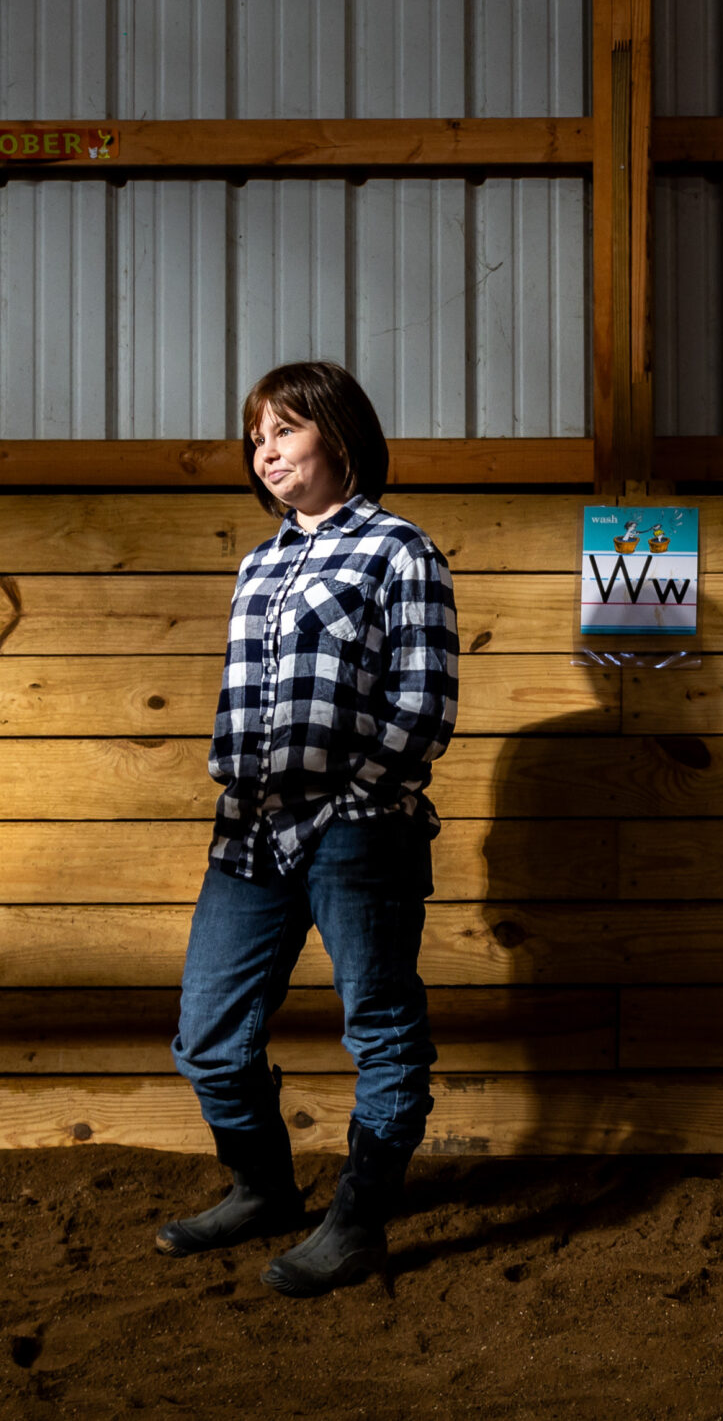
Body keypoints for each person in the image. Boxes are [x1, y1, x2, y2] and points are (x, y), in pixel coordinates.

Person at [154, 360, 458, 1297]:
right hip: (249, 829)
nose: (267, 450)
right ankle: (263, 1188)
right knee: (209, 1032)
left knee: (381, 1027)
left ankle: (359, 1219)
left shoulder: (401, 551)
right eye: (257, 436)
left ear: (338, 435)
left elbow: (425, 702)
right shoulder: (260, 561)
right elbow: (242, 700)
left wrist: (356, 793)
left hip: (360, 826)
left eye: (284, 429)